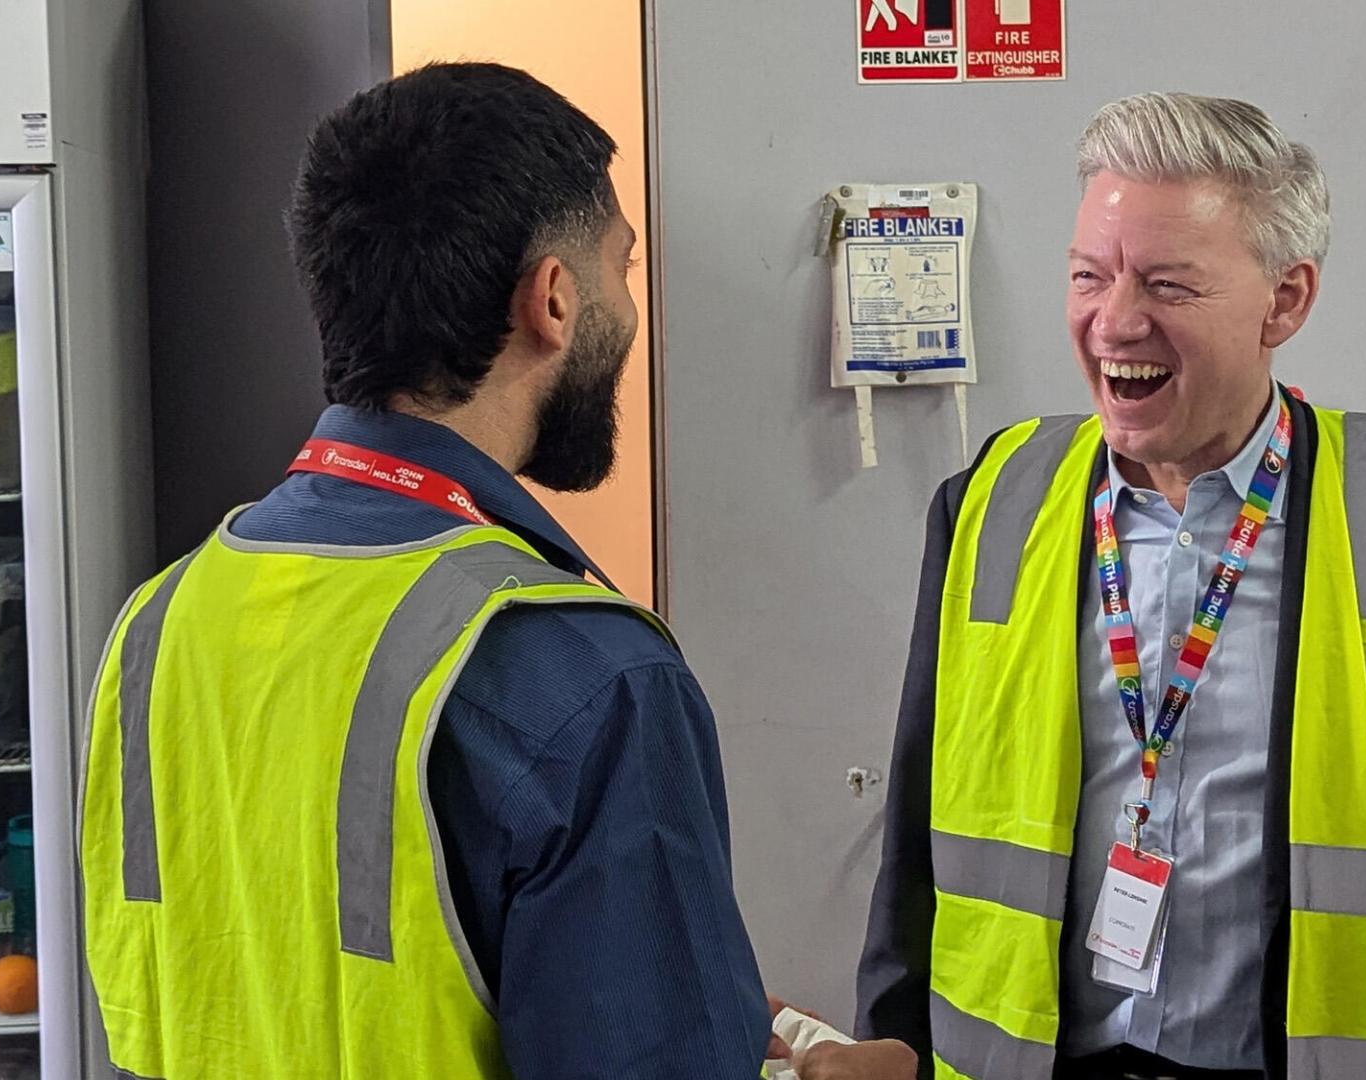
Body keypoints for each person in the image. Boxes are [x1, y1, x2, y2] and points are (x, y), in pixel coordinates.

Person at [80, 63, 914, 1080]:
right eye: (622, 267)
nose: (628, 309)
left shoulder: (155, 626)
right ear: (552, 300)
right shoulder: (584, 676)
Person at [856, 93, 1366, 1080]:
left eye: (1168, 284)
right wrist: (885, 1040)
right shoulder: (989, 503)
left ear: (1285, 300)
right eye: (1088, 276)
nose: (1115, 321)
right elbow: (914, 842)